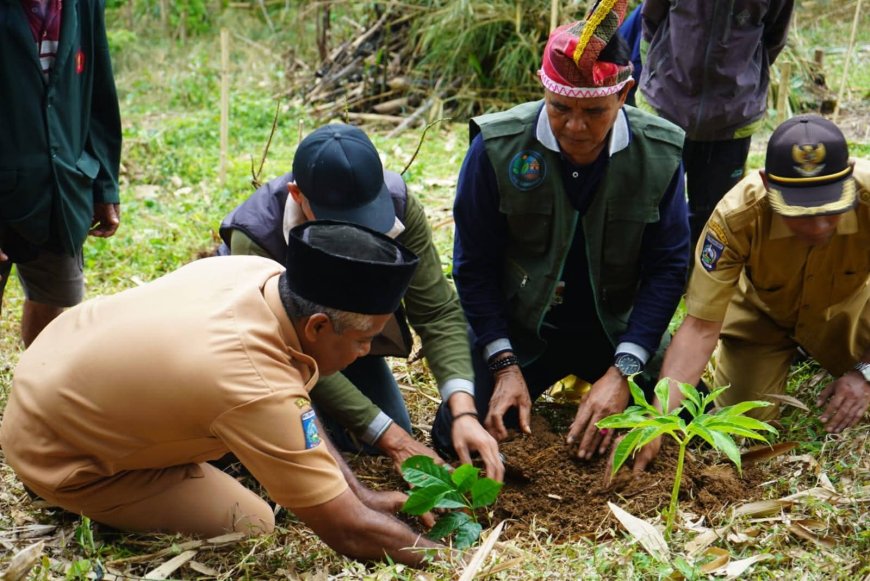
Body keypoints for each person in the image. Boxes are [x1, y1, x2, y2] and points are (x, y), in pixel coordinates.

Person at [0, 221, 448, 566]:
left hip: (51, 366)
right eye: (363, 339)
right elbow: (347, 531)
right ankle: (62, 487)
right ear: (316, 326)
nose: (367, 351)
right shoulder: (253, 382)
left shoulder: (260, 274)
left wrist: (361, 495)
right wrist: (455, 561)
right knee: (251, 521)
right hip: (54, 449)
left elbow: (296, 412)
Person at [431, 0, 691, 463]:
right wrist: (503, 365)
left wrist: (624, 372)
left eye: (594, 111)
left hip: (614, 330)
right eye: (560, 108)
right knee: (456, 433)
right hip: (523, 330)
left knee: (680, 422)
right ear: (542, 88)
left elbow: (668, 268)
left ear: (624, 94)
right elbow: (473, 266)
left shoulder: (659, 153)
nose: (575, 126)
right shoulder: (496, 148)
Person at [219, 124, 502, 479]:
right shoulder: (257, 235)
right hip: (270, 351)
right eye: (340, 223)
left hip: (336, 337)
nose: (356, 235)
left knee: (382, 429)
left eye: (366, 220)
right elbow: (285, 348)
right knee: (307, 432)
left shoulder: (399, 205)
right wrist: (393, 439)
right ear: (297, 194)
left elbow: (437, 311)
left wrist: (463, 411)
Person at [633, 115, 870, 472]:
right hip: (763, 316)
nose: (818, 225)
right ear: (767, 183)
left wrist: (865, 372)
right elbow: (699, 327)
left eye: (830, 209)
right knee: (743, 428)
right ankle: (779, 352)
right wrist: (658, 422)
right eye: (800, 212)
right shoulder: (736, 217)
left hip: (849, 308)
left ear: (848, 176)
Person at [0, 0, 122, 346]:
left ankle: (36, 379)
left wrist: (104, 186)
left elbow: (98, 91)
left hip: (60, 185)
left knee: (56, 299)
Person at [639, 0, 794, 247]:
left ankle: (699, 271)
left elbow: (774, 37)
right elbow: (651, 20)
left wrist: (745, 76)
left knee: (715, 220)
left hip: (731, 120)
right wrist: (658, 71)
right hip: (665, 109)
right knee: (653, 213)